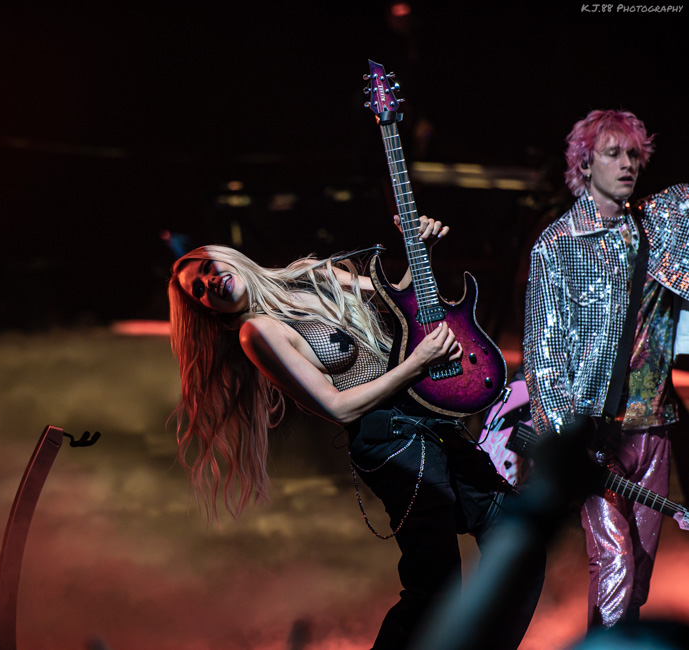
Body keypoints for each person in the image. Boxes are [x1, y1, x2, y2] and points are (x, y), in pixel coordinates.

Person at [168, 217, 543, 650]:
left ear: (226, 255)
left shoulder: (313, 275)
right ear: (207, 311)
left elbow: (400, 302)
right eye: (198, 290)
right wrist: (415, 365)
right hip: (390, 441)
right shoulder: (259, 331)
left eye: (207, 268)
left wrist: (418, 249)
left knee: (522, 538)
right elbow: (337, 406)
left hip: (432, 419)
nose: (209, 283)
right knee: (435, 587)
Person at [523, 109, 689, 629]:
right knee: (613, 561)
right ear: (583, 162)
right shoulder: (557, 246)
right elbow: (544, 358)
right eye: (613, 153)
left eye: (634, 154)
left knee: (635, 577)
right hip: (596, 432)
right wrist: (571, 439)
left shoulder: (660, 224)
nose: (627, 164)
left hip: (655, 428)